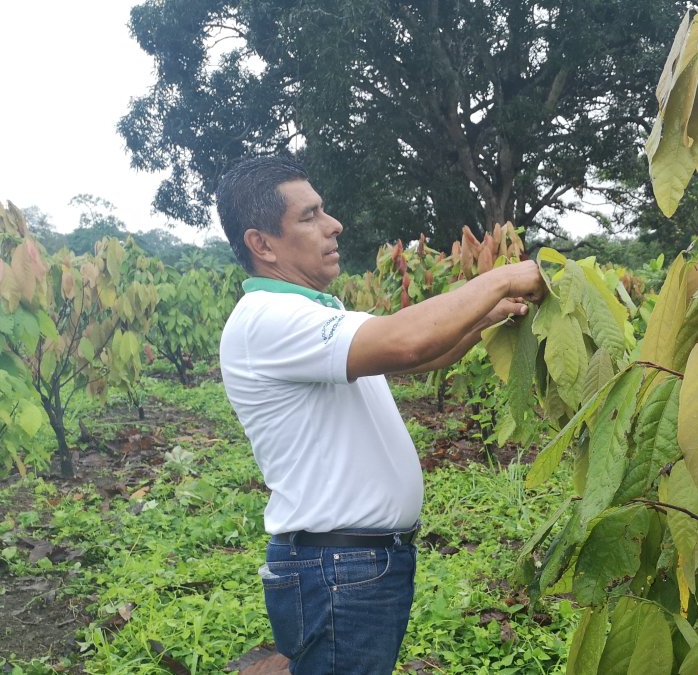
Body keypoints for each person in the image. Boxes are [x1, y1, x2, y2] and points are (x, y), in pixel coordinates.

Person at [215, 156, 546, 673]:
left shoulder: (313, 311)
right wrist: (503, 279)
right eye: (309, 216)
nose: (333, 225)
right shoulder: (268, 319)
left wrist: (486, 316)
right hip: (337, 568)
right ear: (262, 244)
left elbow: (420, 357)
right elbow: (406, 341)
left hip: (355, 564)